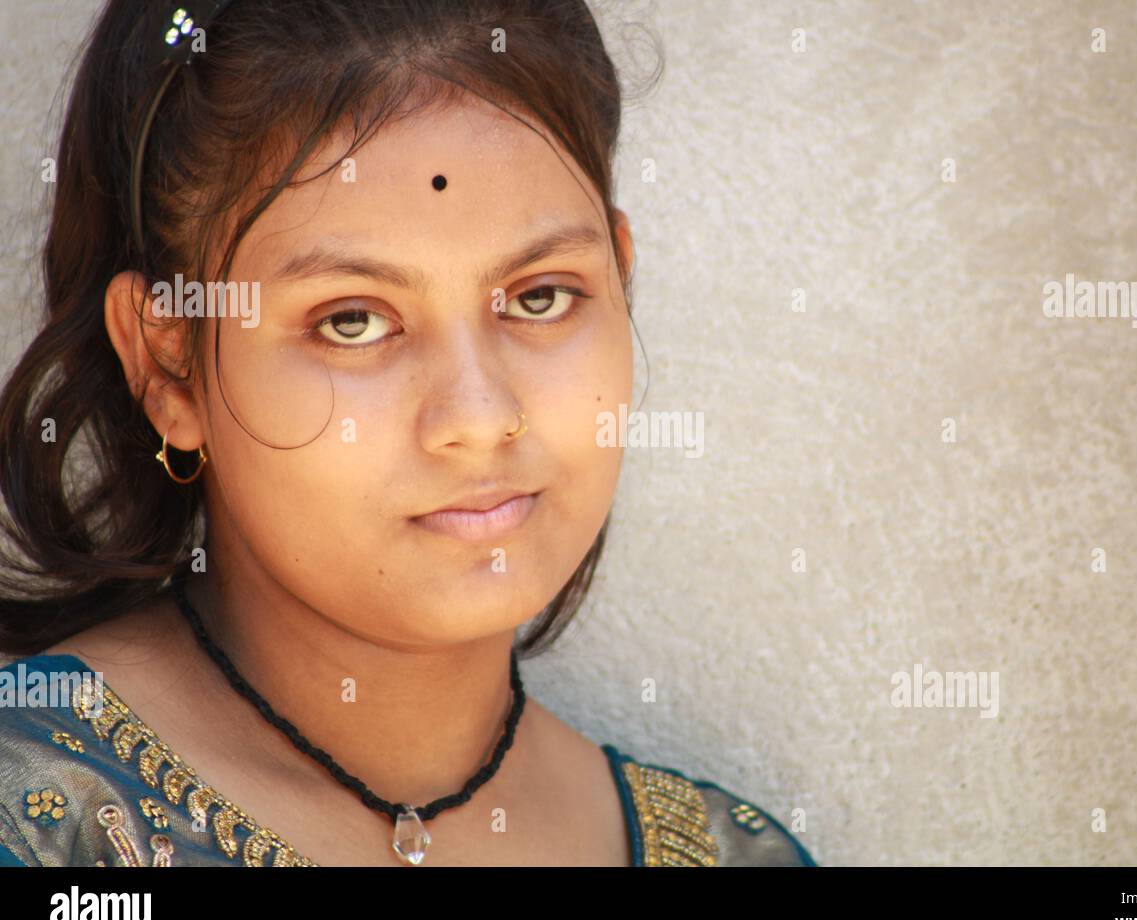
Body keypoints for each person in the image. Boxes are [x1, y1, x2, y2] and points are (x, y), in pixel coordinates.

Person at [0, 0, 816, 868]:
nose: (479, 416)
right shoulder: (45, 822)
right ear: (170, 367)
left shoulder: (729, 853)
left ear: (620, 277)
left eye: (540, 297)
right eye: (353, 321)